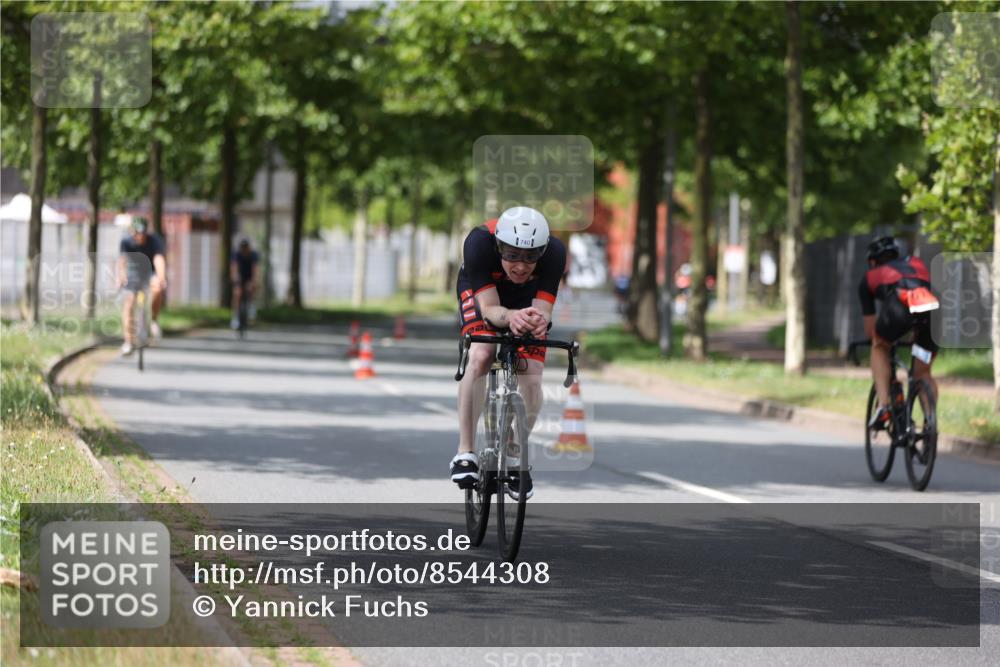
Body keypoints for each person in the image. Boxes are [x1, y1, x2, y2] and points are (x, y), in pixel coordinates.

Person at [452, 206, 567, 500]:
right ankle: (466, 451)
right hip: (484, 293)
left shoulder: (554, 253)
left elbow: (543, 311)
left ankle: (515, 449)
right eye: (512, 255)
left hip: (523, 298)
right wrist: (510, 318)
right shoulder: (478, 244)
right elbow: (489, 310)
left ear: (542, 250)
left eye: (530, 257)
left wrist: (536, 322)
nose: (520, 265)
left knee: (532, 373)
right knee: (481, 354)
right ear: (498, 246)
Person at [858, 235, 940, 429]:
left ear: (872, 261)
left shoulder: (870, 277)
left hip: (900, 305)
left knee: (878, 346)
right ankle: (930, 424)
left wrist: (885, 340)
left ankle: (884, 407)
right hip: (934, 309)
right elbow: (919, 298)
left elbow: (871, 331)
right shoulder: (916, 262)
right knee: (923, 373)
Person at [117, 216, 166, 356]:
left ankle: (154, 321)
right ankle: (128, 341)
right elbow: (122, 261)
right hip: (133, 274)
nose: (140, 236)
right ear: (132, 232)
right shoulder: (126, 242)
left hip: (150, 273)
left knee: (157, 288)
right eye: (137, 233)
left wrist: (161, 277)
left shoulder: (155, 241)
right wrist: (121, 276)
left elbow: (159, 259)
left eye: (143, 233)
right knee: (129, 302)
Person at [230, 237, 259, 329]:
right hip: (240, 276)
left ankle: (251, 306)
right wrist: (234, 277)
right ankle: (236, 317)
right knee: (237, 293)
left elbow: (255, 269)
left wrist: (254, 281)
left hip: (249, 276)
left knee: (251, 288)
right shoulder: (237, 254)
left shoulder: (253, 255)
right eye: (242, 247)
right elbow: (234, 267)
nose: (244, 249)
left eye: (245, 247)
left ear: (248, 247)